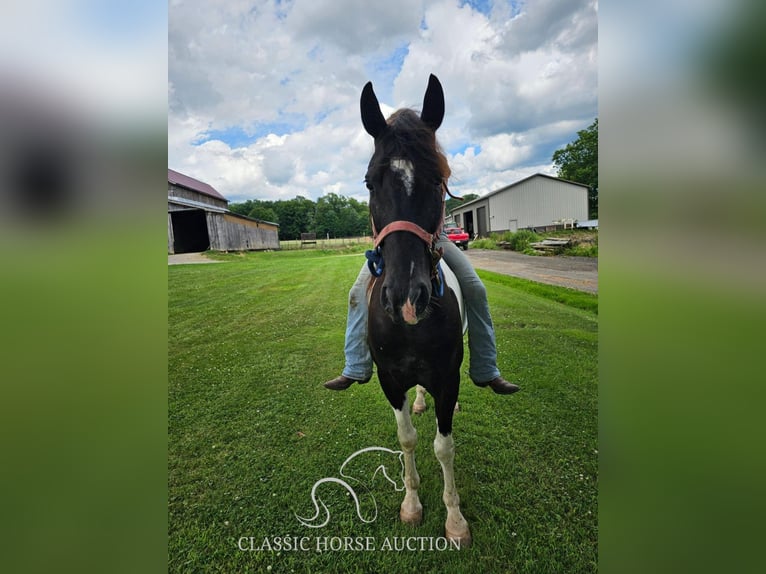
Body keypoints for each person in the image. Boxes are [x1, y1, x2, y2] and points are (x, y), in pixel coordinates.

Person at [324, 230, 520, 395]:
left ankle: (486, 368)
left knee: (476, 289)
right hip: (391, 239)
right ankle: (355, 366)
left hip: (434, 238)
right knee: (357, 293)